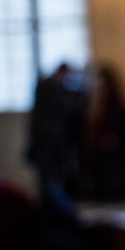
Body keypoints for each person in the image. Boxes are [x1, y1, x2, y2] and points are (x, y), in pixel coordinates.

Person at [80, 66, 125, 201]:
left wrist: (109, 134)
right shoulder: (99, 94)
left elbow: (112, 116)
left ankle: (110, 192)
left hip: (107, 137)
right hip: (99, 137)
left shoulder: (111, 94)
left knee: (109, 167)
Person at [26, 63, 85, 202]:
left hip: (45, 140)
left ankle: (50, 206)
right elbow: (62, 112)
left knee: (48, 178)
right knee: (49, 178)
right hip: (50, 141)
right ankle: (51, 208)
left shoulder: (45, 86)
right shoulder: (52, 87)